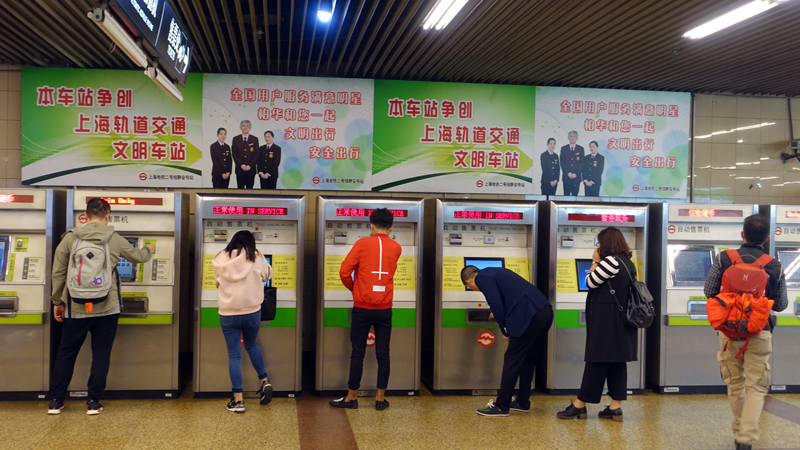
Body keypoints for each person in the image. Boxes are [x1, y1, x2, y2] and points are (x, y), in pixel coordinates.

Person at [48, 198, 154, 415]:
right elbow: (139, 257)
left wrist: (57, 301)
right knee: (101, 354)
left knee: (66, 353)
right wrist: (150, 248)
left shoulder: (69, 239)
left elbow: (58, 273)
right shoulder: (114, 239)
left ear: (85, 217)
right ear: (108, 216)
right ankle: (93, 403)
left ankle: (56, 402)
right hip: (107, 306)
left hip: (76, 307)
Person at [704, 215, 788, 450]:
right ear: (768, 238)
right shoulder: (775, 265)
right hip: (760, 332)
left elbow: (709, 291)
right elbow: (781, 304)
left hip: (729, 334)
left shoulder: (724, 259)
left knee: (735, 383)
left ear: (742, 234)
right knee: (756, 386)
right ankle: (746, 437)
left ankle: (740, 428)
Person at [557, 227, 637, 422]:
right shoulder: (627, 262)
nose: (598, 246)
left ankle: (579, 405)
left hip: (607, 321)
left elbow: (590, 282)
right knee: (617, 362)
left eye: (600, 243)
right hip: (621, 321)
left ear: (607, 244)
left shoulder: (610, 262)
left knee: (596, 361)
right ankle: (615, 408)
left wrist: (594, 262)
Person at [330, 208, 401, 411]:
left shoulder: (362, 244)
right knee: (383, 354)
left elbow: (344, 271)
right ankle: (380, 399)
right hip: (385, 308)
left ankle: (351, 398)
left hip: (362, 307)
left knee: (357, 353)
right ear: (391, 227)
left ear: (371, 225)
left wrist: (355, 287)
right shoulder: (396, 247)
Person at [461, 266, 553, 417]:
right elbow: (508, 295)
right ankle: (523, 402)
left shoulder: (481, 278)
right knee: (528, 359)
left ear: (468, 281)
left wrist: (505, 330)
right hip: (544, 312)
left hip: (530, 316)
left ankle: (501, 406)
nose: (473, 289)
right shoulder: (494, 271)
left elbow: (495, 303)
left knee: (512, 358)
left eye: (469, 287)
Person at [212, 230, 274, 413]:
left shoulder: (221, 257)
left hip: (228, 313)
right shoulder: (256, 256)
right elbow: (267, 275)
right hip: (252, 313)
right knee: (251, 345)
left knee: (234, 355)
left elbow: (217, 282)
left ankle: (238, 401)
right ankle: (264, 381)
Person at [231, 120, 259, 189]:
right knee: (240, 189)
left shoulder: (254, 139)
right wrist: (241, 165)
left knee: (250, 189)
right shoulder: (235, 139)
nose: (245, 128)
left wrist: (250, 165)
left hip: (251, 170)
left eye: (247, 126)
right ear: (240, 127)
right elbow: (234, 153)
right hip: (240, 170)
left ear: (250, 128)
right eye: (243, 126)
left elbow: (257, 154)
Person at [560, 130, 584, 196]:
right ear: (568, 137)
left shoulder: (580, 149)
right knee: (566, 195)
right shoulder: (564, 148)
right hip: (566, 177)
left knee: (575, 196)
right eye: (570, 136)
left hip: (577, 177)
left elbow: (582, 163)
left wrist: (576, 173)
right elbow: (562, 162)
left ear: (577, 138)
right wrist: (568, 173)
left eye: (574, 136)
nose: (572, 138)